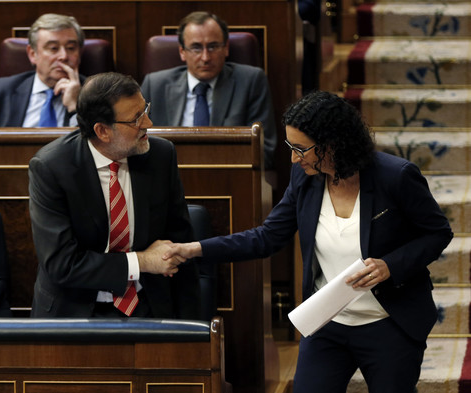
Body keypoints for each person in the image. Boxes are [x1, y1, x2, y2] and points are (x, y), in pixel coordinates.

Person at [163, 91, 453, 392]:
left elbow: (438, 233)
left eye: (301, 149)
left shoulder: (396, 176)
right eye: (291, 147)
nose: (293, 157)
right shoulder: (305, 177)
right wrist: (193, 249)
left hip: (389, 322)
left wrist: (391, 265)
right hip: (327, 322)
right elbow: (267, 237)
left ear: (333, 144)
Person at [28, 72, 201, 319]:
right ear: (102, 131)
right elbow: (61, 264)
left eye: (145, 110)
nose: (148, 123)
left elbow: (180, 244)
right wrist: (142, 262)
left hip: (148, 305)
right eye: (136, 119)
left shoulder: (161, 155)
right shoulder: (52, 168)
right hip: (73, 311)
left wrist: (192, 327)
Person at [141, 11, 277, 168]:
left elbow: (264, 150)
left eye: (213, 47)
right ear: (182, 52)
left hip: (229, 178)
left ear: (226, 48)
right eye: (196, 48)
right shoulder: (155, 84)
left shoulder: (251, 81)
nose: (205, 57)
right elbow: (137, 143)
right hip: (167, 178)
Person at [0, 13, 84, 127]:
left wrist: (75, 107)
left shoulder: (96, 94)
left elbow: (91, 143)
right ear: (32, 54)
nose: (63, 56)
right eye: (53, 48)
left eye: (71, 48)